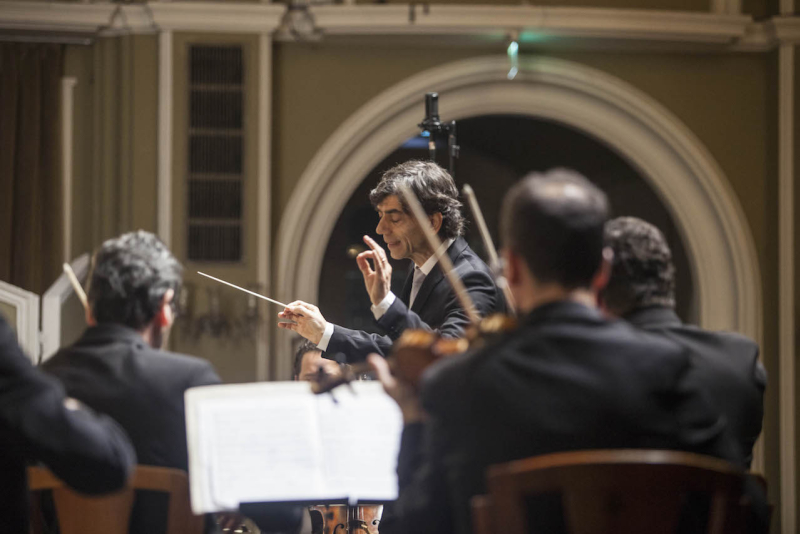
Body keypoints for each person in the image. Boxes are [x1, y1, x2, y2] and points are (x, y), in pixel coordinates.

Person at [369, 169, 763, 534]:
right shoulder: (667, 370)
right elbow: (748, 509)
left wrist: (414, 421)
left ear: (514, 270)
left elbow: (415, 525)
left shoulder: (458, 383)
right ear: (602, 270)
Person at [43, 231, 302, 534]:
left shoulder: (41, 383)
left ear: (90, 309)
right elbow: (286, 517)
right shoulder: (190, 382)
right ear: (164, 308)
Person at [278, 160, 504, 363]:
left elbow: (445, 355)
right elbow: (400, 349)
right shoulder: (420, 268)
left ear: (433, 223)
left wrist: (386, 303)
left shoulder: (471, 278)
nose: (380, 229)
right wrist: (324, 333)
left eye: (394, 218)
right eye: (380, 216)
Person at [601, 216, 767, 468]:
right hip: (724, 507)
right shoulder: (742, 361)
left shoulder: (596, 370)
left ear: (598, 283)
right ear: (667, 276)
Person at [0, 313, 136, 534]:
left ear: (90, 312)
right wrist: (68, 406)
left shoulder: (50, 369)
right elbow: (110, 459)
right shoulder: (190, 378)